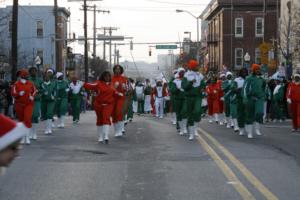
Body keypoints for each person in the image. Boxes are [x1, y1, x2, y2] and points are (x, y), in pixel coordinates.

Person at [84, 71, 122, 144]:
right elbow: (90, 85)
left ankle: (106, 136)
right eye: (105, 76)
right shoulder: (98, 83)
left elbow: (114, 92)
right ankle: (100, 137)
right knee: (99, 120)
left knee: (106, 118)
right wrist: (83, 84)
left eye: (108, 76)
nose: (107, 78)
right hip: (98, 105)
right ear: (103, 77)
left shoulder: (112, 85)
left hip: (108, 105)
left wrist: (119, 94)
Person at [11, 69, 36, 145]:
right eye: (26, 75)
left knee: (27, 119)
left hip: (29, 104)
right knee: (21, 121)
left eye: (27, 75)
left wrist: (32, 96)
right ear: (22, 76)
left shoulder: (30, 83)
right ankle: (22, 137)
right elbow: (13, 93)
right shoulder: (16, 84)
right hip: (19, 104)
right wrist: (18, 94)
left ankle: (27, 137)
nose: (27, 76)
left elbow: (34, 91)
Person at [182, 60, 205, 140]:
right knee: (190, 114)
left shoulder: (200, 75)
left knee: (197, 111)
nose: (197, 67)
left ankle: (195, 129)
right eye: (196, 66)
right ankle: (191, 133)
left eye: (197, 65)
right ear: (192, 66)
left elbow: (203, 84)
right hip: (189, 97)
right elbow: (184, 86)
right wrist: (190, 83)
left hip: (198, 97)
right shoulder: (186, 75)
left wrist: (202, 88)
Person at [243, 64, 265, 138]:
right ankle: (250, 132)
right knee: (250, 115)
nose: (258, 71)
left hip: (259, 99)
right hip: (251, 99)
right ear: (253, 70)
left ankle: (257, 129)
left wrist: (263, 96)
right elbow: (245, 89)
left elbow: (264, 88)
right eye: (256, 69)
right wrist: (245, 98)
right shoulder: (249, 78)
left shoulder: (262, 79)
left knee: (259, 113)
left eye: (259, 69)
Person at [111, 65, 128, 137]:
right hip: (113, 98)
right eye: (116, 69)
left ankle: (120, 130)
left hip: (121, 97)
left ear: (121, 70)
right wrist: (114, 87)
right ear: (114, 70)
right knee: (114, 115)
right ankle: (116, 131)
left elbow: (127, 89)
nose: (117, 70)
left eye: (119, 69)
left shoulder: (124, 78)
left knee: (119, 112)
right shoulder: (111, 78)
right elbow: (109, 89)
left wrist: (125, 87)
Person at [171, 68, 187, 135]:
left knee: (184, 112)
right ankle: (179, 127)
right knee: (179, 114)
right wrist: (177, 89)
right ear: (179, 73)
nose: (182, 73)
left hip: (185, 99)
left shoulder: (186, 80)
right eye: (181, 72)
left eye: (183, 72)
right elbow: (172, 90)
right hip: (177, 99)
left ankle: (185, 127)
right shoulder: (175, 81)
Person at [28, 66, 43, 140]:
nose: (34, 72)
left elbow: (43, 88)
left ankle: (34, 133)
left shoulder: (39, 80)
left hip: (36, 99)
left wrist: (38, 91)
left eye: (35, 71)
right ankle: (30, 133)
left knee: (35, 115)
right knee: (30, 116)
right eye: (32, 71)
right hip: (29, 100)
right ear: (30, 72)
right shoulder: (28, 80)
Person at [233, 68, 248, 135]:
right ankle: (241, 128)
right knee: (240, 114)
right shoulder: (237, 80)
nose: (244, 73)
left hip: (248, 99)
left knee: (248, 114)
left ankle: (247, 127)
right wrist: (238, 89)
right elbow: (233, 88)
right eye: (243, 72)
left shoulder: (249, 79)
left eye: (245, 72)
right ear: (240, 73)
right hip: (240, 99)